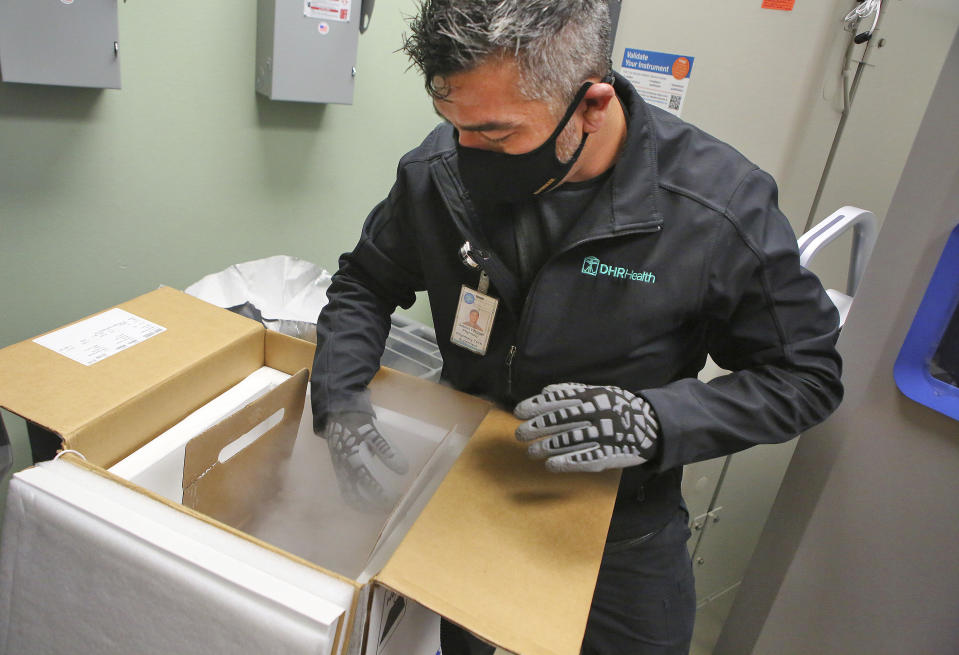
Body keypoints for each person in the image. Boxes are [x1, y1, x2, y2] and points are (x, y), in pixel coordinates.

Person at [311, 1, 843, 653]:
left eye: (497, 135)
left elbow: (806, 375)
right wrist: (338, 398)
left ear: (591, 105)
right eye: (452, 124)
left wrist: (658, 420)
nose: (464, 152)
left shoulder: (714, 207)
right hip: (470, 484)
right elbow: (365, 282)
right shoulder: (439, 173)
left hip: (619, 520)